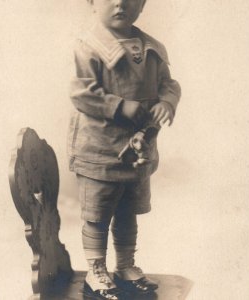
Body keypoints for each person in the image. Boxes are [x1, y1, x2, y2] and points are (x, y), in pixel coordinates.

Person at [68, 0, 181, 299]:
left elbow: (169, 84)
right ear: (92, 3)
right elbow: (81, 92)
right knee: (98, 212)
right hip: (100, 149)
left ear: (142, 4)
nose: (120, 3)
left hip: (138, 150)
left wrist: (166, 102)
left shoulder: (151, 48)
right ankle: (96, 269)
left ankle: (125, 265)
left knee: (127, 209)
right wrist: (118, 106)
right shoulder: (89, 45)